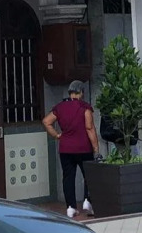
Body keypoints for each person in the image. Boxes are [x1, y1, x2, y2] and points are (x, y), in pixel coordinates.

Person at [42, 80, 101, 218]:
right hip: (84, 148)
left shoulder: (60, 107)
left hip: (65, 149)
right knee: (89, 175)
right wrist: (96, 148)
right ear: (81, 92)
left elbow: (46, 121)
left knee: (68, 177)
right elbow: (89, 128)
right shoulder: (84, 107)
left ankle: (71, 207)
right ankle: (88, 201)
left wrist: (56, 135)